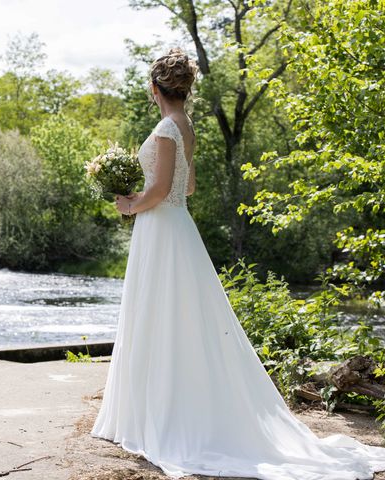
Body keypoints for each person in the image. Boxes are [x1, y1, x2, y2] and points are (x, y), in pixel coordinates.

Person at [90, 47, 385, 479]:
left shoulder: (166, 129)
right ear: (183, 89)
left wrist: (129, 203)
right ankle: (158, 407)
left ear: (155, 88)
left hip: (161, 229)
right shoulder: (185, 126)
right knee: (174, 316)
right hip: (174, 226)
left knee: (159, 314)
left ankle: (156, 415)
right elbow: (186, 188)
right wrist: (145, 197)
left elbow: (159, 192)